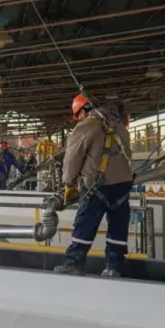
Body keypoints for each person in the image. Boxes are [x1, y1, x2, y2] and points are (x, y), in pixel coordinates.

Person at [54, 93, 133, 277]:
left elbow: (72, 159)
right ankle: (114, 267)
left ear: (84, 110)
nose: (78, 119)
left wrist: (69, 184)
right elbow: (127, 152)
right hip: (123, 184)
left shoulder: (85, 127)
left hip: (98, 185)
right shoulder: (119, 125)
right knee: (118, 225)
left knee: (85, 223)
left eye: (78, 115)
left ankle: (74, 263)